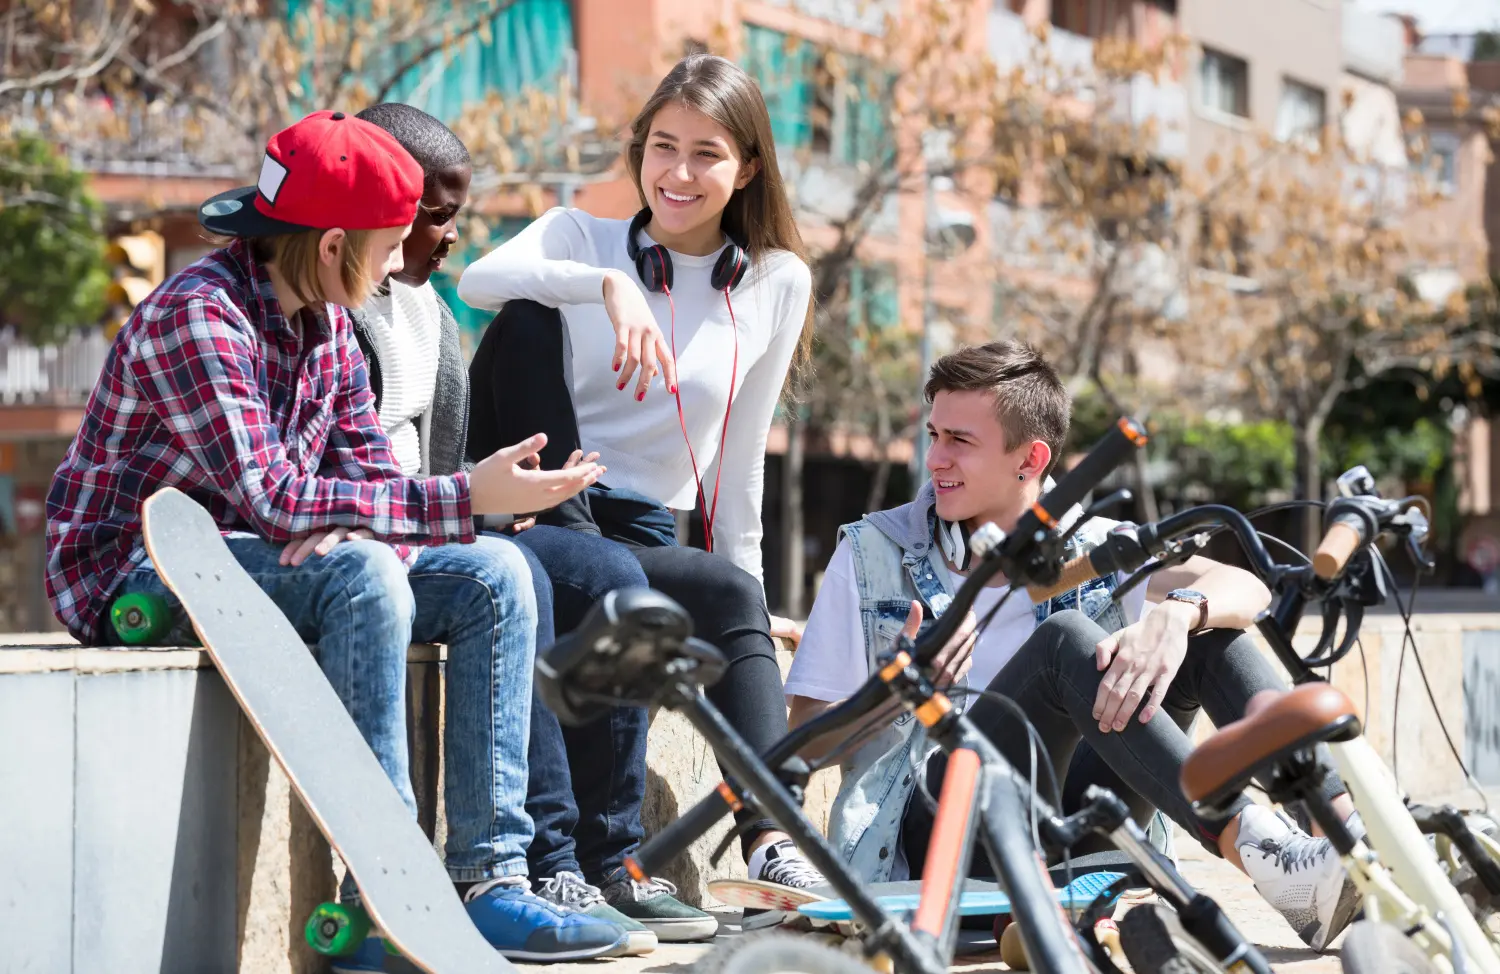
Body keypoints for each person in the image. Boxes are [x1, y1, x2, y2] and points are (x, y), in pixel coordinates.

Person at [42, 110, 628, 969]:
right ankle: (383, 893)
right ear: (329, 245)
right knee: (363, 576)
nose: (401, 265)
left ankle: (491, 881)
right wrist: (457, 496)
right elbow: (277, 499)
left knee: (495, 574)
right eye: (389, 246)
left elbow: (369, 484)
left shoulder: (328, 328)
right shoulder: (200, 317)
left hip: (262, 554)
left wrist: (489, 505)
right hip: (136, 567)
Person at [783, 340, 1364, 952]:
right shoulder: (873, 552)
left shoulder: (1098, 546)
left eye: (960, 440)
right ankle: (1266, 852)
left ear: (1029, 459)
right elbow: (807, 743)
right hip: (942, 840)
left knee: (1208, 635)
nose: (934, 459)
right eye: (933, 435)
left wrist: (1176, 616)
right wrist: (901, 691)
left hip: (1079, 832)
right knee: (1065, 641)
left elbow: (1246, 586)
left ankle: (1351, 846)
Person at [457, 52, 822, 922]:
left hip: (648, 532)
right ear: (639, 153)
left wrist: (753, 611)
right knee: (527, 313)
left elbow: (739, 465)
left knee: (729, 592)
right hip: (547, 507)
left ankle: (775, 845)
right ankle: (598, 863)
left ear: (749, 169)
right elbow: (476, 281)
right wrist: (611, 284)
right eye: (663, 147)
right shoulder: (579, 238)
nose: (680, 173)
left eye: (707, 153)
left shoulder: (776, 283)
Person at [348, 101, 683, 954]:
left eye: (458, 213)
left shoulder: (423, 314)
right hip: (388, 534)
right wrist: (472, 502)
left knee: (617, 576)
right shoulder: (332, 305)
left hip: (441, 516)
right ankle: (541, 857)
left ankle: (608, 863)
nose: (452, 234)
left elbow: (439, 456)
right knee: (512, 573)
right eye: (437, 213)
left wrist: (495, 494)